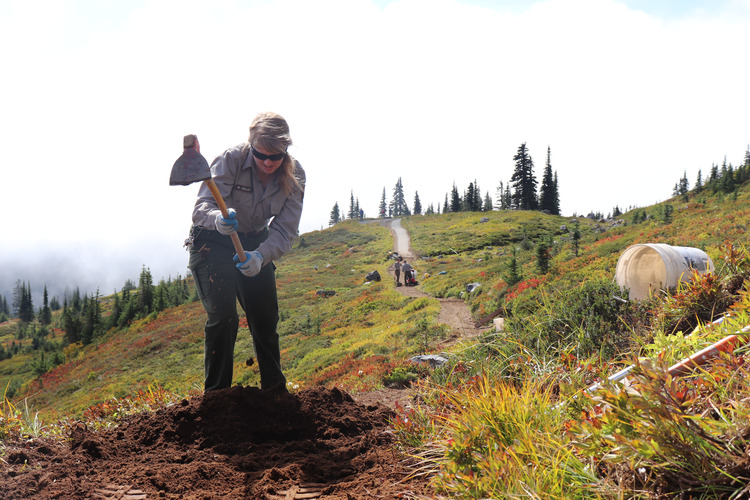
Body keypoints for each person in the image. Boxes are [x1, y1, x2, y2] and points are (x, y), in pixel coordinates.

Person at [187, 112, 305, 392]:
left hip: (254, 242)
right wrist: (217, 218)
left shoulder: (295, 175)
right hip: (212, 241)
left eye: (276, 157)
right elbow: (200, 208)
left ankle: (275, 394)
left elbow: (286, 230)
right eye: (261, 154)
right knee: (223, 317)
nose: (268, 162)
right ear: (251, 146)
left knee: (265, 318)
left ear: (285, 152)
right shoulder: (231, 160)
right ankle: (217, 396)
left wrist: (261, 256)